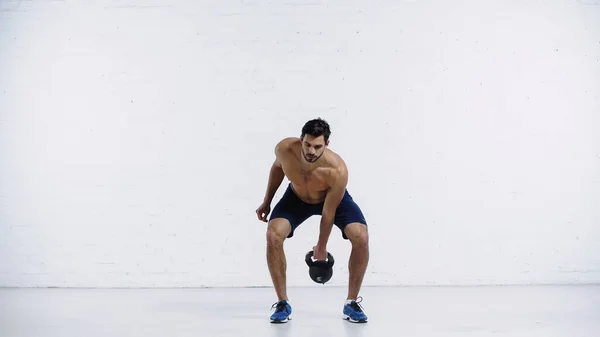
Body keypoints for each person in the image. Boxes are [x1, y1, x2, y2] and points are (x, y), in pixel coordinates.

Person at [255, 118, 370, 324]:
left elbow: (328, 213)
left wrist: (322, 246)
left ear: (327, 145)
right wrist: (267, 202)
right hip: (296, 198)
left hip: (331, 200)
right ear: (301, 139)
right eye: (307, 144)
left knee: (361, 236)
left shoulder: (337, 170)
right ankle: (283, 303)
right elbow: (277, 168)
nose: (311, 151)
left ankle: (351, 303)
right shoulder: (284, 149)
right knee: (273, 234)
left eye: (318, 147)